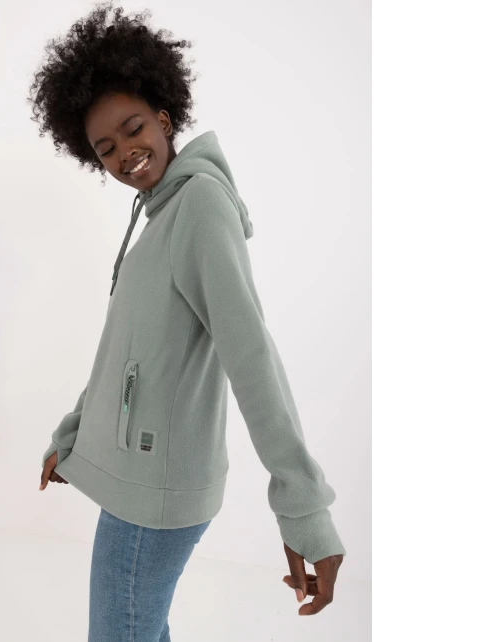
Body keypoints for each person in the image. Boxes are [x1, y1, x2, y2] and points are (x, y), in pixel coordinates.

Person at [28, 2, 346, 638]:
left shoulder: (198, 204)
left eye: (134, 128)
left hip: (156, 495)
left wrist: (304, 509)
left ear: (166, 117)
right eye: (106, 148)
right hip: (141, 486)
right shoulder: (158, 216)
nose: (126, 153)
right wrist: (75, 433)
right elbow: (129, 350)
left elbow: (251, 355)